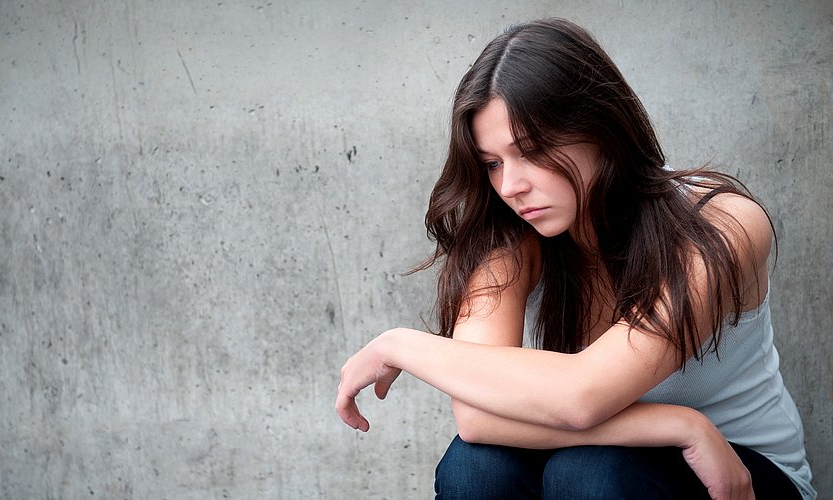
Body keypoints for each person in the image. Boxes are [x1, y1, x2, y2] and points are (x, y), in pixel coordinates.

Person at [335, 18, 815, 499]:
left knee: (589, 472)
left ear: (601, 128)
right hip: (624, 453)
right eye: (493, 164)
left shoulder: (722, 225)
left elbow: (582, 397)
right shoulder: (511, 237)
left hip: (739, 473)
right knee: (476, 467)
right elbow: (478, 418)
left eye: (532, 151)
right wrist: (680, 425)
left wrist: (397, 345)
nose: (510, 186)